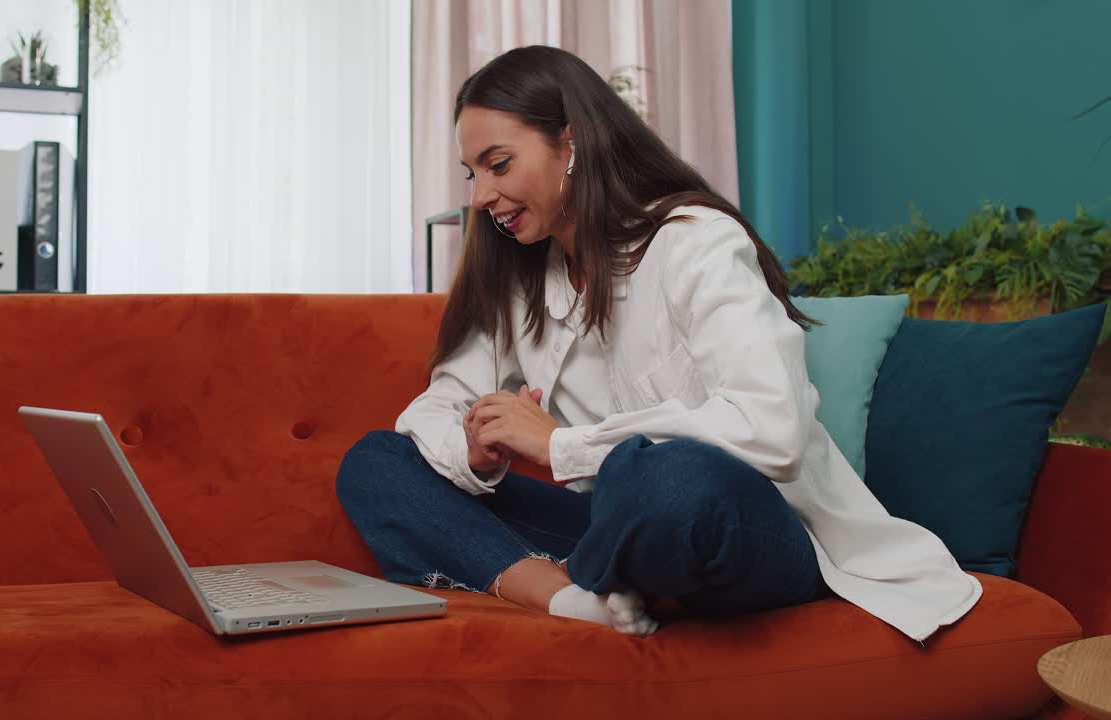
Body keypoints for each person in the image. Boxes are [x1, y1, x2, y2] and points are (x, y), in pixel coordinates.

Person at [336, 45, 980, 639]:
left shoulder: (694, 238)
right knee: (379, 461)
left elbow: (773, 429)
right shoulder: (518, 283)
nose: (481, 197)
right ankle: (575, 600)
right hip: (617, 532)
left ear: (573, 141)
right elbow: (434, 409)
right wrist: (475, 454)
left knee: (674, 478)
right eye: (471, 173)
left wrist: (559, 445)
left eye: (498, 165)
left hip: (749, 528)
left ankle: (610, 570)